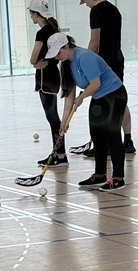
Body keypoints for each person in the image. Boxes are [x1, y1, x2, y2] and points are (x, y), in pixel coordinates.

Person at [47, 32, 128, 192]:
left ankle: (118, 178)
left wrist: (82, 97)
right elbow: (69, 96)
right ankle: (100, 175)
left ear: (66, 46)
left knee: (111, 134)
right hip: (99, 97)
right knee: (96, 134)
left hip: (114, 94)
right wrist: (64, 121)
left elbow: (95, 84)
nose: (56, 57)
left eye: (57, 52)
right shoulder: (67, 64)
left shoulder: (84, 57)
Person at [75, 0, 136, 156]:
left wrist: (84, 61)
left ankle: (106, 144)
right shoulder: (114, 9)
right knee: (119, 100)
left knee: (103, 101)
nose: (86, 5)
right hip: (117, 57)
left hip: (105, 61)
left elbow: (95, 41)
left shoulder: (96, 11)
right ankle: (128, 140)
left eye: (85, 1)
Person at [28, 0, 66, 167]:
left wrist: (35, 63)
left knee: (52, 117)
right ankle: (58, 153)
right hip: (53, 75)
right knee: (53, 117)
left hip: (45, 78)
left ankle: (60, 155)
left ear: (37, 14)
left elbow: (33, 58)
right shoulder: (53, 29)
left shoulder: (42, 33)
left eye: (32, 14)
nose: (31, 17)